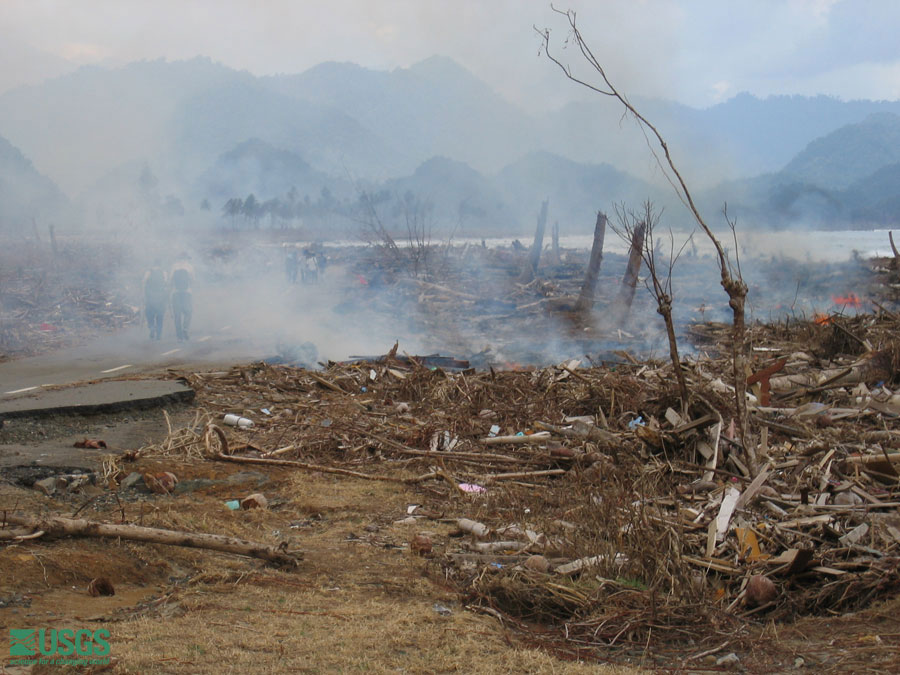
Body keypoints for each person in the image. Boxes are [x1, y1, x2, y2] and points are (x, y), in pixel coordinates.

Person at [170, 254, 194, 342]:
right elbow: (192, 280)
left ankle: (179, 337)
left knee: (177, 315)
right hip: (187, 293)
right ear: (186, 258)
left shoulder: (174, 266)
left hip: (175, 293)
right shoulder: (189, 267)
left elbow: (170, 280)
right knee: (188, 312)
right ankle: (185, 329)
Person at [143, 261, 167, 340]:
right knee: (160, 315)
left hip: (150, 296)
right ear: (160, 265)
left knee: (149, 313)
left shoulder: (149, 272)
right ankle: (159, 334)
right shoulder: (163, 272)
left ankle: (152, 327)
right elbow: (166, 284)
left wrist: (144, 294)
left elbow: (143, 283)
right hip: (161, 297)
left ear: (153, 265)